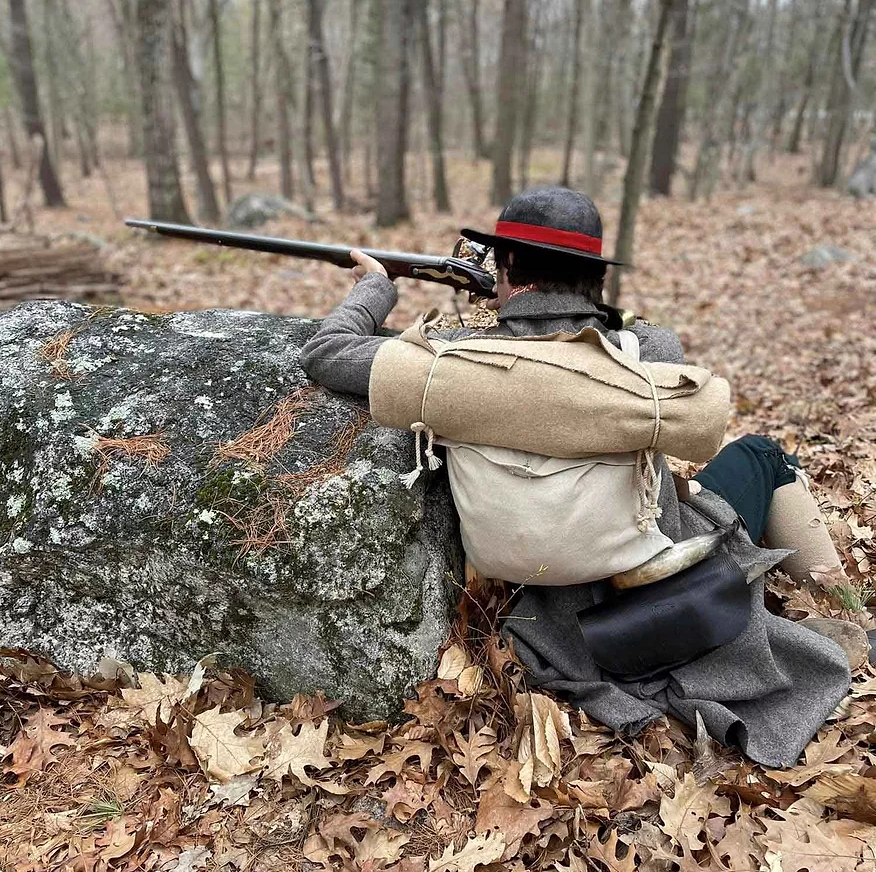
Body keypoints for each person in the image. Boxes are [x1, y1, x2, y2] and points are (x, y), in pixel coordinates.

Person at [301, 185, 858, 769]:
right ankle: (843, 605)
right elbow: (608, 343)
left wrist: (375, 287)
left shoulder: (452, 361)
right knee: (764, 456)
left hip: (555, 619)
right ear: (593, 276)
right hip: (660, 585)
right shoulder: (646, 350)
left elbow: (327, 351)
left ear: (507, 265)